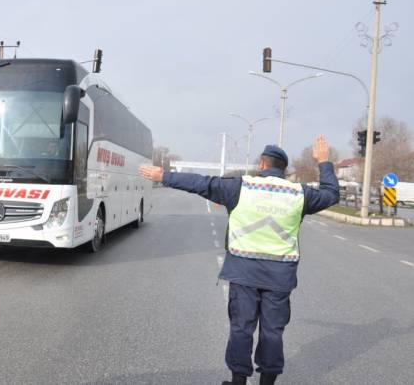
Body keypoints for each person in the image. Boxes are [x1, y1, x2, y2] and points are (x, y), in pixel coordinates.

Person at [139, 136, 339, 385]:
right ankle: (267, 382)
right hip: (280, 277)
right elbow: (331, 195)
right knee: (273, 331)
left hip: (243, 272)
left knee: (242, 328)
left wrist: (164, 176)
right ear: (283, 169)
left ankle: (238, 381)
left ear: (262, 164)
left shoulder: (241, 186)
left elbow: (201, 183)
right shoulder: (300, 193)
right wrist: (324, 162)